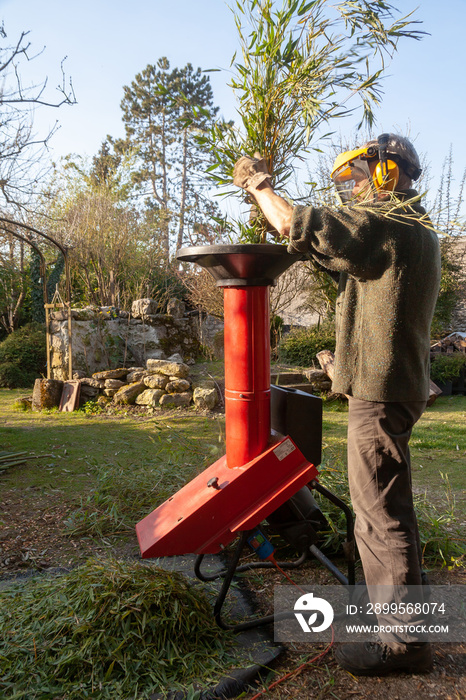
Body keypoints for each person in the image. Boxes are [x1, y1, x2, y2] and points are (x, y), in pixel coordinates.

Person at [233, 134, 442, 676]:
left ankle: (402, 644)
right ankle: (404, 627)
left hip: (380, 394)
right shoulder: (411, 230)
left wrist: (259, 185)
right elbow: (337, 255)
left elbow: (297, 225)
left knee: (379, 517)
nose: (353, 192)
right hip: (393, 388)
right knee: (388, 510)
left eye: (358, 179)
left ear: (386, 174)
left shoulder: (391, 222)